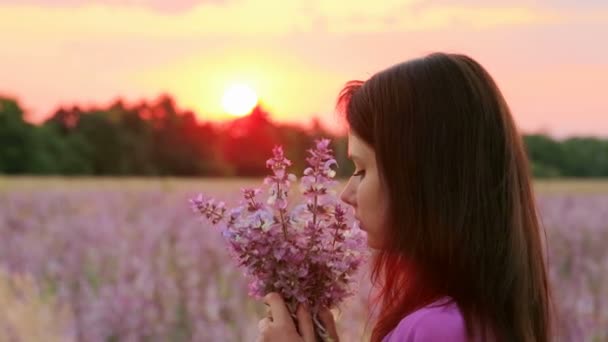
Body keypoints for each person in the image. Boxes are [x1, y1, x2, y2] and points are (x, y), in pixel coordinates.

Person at [256, 52, 554, 342]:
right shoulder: (471, 316)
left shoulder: (436, 330)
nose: (347, 195)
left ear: (418, 177)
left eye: (362, 169)